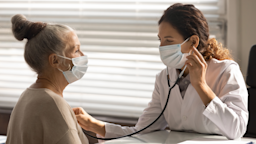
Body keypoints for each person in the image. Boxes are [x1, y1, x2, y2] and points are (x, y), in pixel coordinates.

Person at [73, 3, 248, 140]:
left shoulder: (226, 72)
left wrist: (201, 86)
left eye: (168, 40)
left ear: (193, 42)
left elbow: (237, 130)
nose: (161, 47)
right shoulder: (164, 78)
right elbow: (141, 131)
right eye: (160, 40)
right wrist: (95, 125)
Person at [6, 14, 89, 144]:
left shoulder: (27, 96)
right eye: (76, 50)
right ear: (55, 60)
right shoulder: (54, 104)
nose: (83, 56)